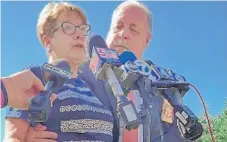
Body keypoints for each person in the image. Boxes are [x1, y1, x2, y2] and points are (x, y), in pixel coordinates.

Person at [13, 1, 191, 142]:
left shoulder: (163, 87)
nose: (123, 34)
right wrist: (26, 134)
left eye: (133, 29)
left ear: (147, 40)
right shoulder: (74, 72)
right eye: (117, 27)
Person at [4, 2, 116, 142]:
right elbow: (13, 138)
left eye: (82, 29)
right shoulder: (37, 76)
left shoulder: (92, 86)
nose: (79, 34)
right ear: (48, 41)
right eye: (68, 27)